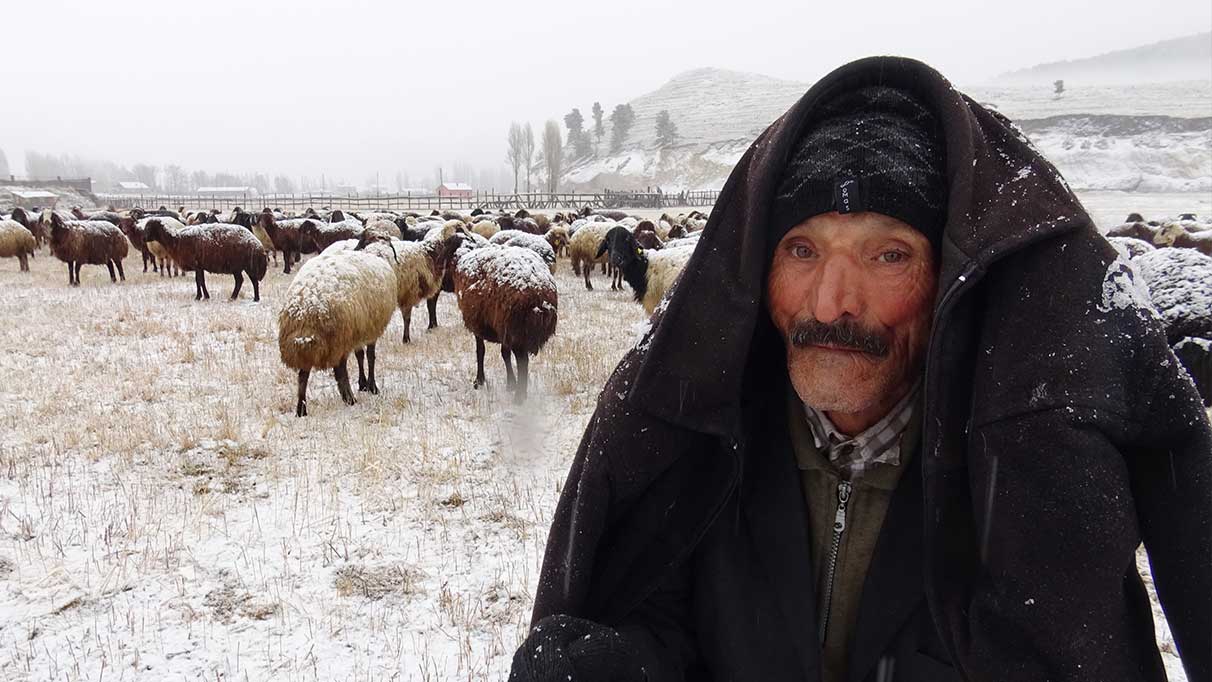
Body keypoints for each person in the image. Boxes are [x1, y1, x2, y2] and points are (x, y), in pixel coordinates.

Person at [509, 56, 1211, 682]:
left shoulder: (1027, 475)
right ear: (758, 268)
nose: (831, 302)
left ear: (952, 279)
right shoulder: (710, 443)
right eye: (803, 251)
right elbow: (674, 628)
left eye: (888, 256)